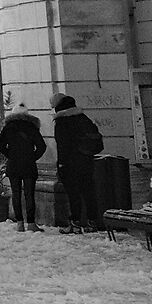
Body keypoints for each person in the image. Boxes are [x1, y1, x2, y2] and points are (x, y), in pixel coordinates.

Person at [52, 94, 105, 233]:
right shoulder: (84, 119)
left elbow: (62, 145)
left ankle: (75, 223)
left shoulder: (62, 122)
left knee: (73, 194)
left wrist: (62, 164)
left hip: (70, 163)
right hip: (86, 161)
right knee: (89, 192)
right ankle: (92, 221)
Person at [0, 106, 48, 232]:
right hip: (28, 165)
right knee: (29, 194)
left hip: (13, 164)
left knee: (16, 193)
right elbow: (41, 146)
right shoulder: (31, 127)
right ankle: (31, 222)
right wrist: (32, 157)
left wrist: (11, 155)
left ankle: (19, 223)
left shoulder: (8, 128)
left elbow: (0, 145)